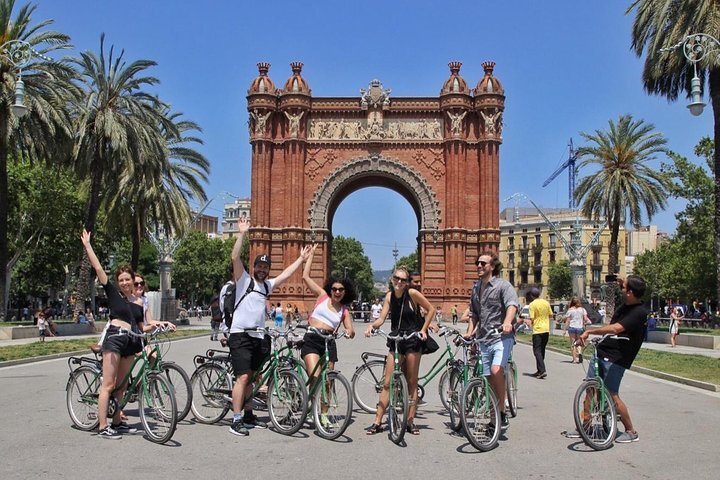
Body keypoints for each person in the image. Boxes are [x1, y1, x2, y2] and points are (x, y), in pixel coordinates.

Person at [227, 217, 312, 436]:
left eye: (266, 267)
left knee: (253, 376)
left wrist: (301, 259)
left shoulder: (266, 285)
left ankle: (247, 414)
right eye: (260, 266)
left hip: (257, 336)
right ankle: (235, 419)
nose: (263, 270)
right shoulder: (244, 280)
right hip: (240, 335)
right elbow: (235, 257)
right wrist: (242, 233)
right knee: (243, 377)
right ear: (254, 267)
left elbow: (285, 275)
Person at [81, 229, 158, 439]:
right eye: (121, 280)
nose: (124, 282)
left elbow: (143, 326)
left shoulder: (139, 302)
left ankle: (116, 421)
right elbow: (98, 268)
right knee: (108, 384)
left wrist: (162, 323)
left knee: (122, 386)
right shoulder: (113, 294)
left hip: (131, 343)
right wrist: (88, 246)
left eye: (128, 279)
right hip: (115, 339)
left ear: (134, 281)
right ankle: (103, 425)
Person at [572, 275, 649, 443]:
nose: (621, 289)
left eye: (623, 287)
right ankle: (585, 427)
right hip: (602, 350)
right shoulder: (626, 304)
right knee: (591, 389)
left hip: (617, 357)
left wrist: (590, 331)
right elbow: (624, 284)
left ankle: (630, 430)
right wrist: (621, 279)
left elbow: (615, 329)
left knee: (611, 394)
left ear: (630, 292)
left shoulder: (639, 312)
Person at [364, 266, 435, 436]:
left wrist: (423, 330)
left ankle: (410, 421)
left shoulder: (412, 294)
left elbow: (431, 309)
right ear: (392, 278)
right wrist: (372, 326)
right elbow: (382, 318)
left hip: (412, 339)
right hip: (396, 339)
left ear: (407, 282)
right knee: (387, 383)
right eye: (397, 278)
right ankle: (377, 421)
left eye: (403, 280)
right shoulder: (388, 296)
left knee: (412, 383)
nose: (400, 282)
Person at [300, 244, 356, 423]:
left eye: (341, 290)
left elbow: (351, 329)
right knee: (315, 378)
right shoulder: (322, 296)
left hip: (329, 342)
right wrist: (311, 256)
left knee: (328, 381)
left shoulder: (344, 310)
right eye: (335, 289)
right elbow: (305, 277)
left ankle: (323, 414)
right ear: (330, 289)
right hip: (312, 338)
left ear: (345, 292)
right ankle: (311, 409)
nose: (337, 292)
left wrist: (349, 332)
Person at [465, 251, 519, 431]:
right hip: (484, 338)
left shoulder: (503, 285)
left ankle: (502, 410)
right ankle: (494, 421)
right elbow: (474, 313)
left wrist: (507, 322)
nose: (479, 266)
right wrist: (469, 332)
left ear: (492, 266)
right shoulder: (476, 287)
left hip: (502, 337)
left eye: (483, 263)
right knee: (488, 381)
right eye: (477, 263)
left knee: (496, 371)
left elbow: (512, 304)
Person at [526, 287, 552, 378]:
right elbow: (550, 315)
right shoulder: (546, 303)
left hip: (537, 330)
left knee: (536, 351)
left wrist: (528, 323)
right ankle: (539, 370)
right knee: (542, 350)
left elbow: (532, 318)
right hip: (546, 329)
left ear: (532, 296)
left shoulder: (532, 304)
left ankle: (542, 370)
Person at [563, 296, 591, 363]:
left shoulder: (570, 310)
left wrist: (564, 330)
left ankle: (574, 360)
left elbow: (568, 320)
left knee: (573, 344)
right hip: (580, 328)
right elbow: (586, 319)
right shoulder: (582, 310)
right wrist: (585, 323)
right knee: (578, 343)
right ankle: (580, 352)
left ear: (572, 302)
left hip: (572, 328)